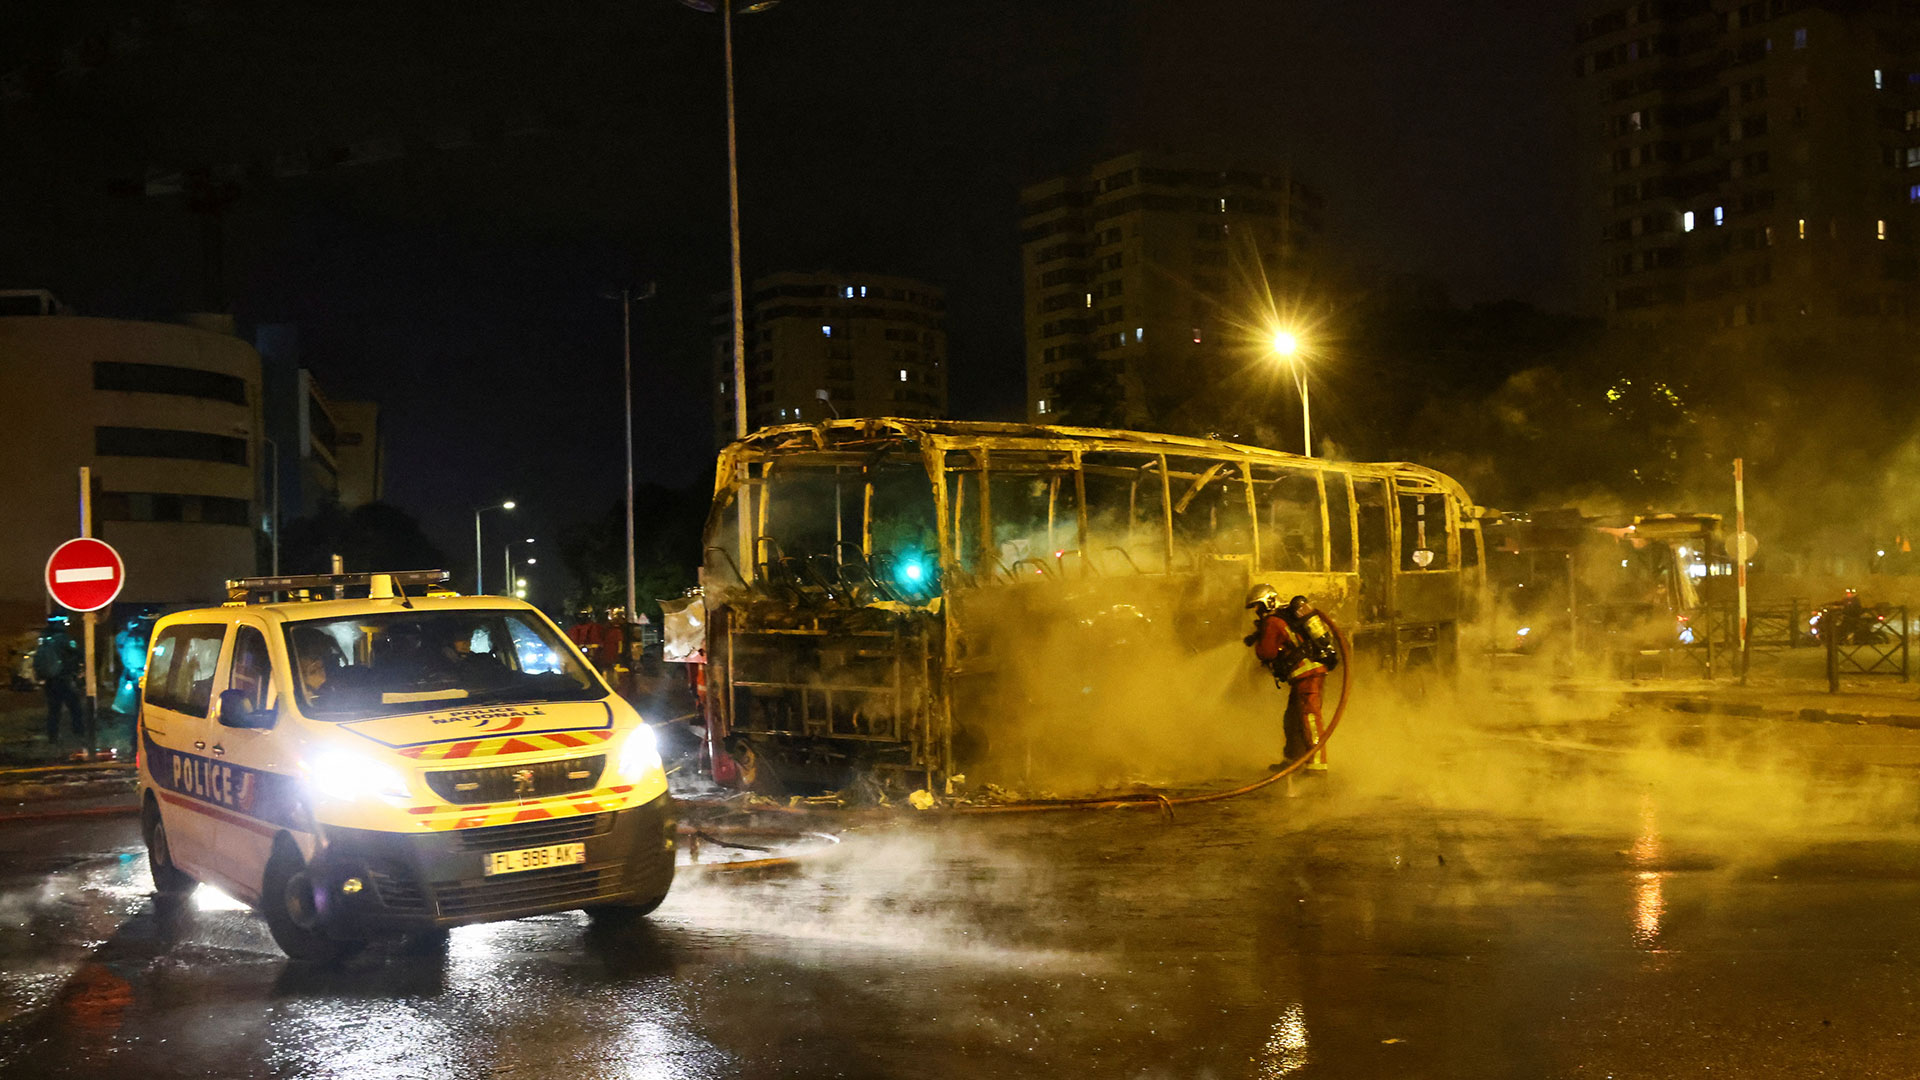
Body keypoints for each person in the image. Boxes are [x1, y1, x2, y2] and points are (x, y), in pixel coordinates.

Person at [1244, 586, 1338, 772]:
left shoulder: (1272, 622)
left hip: (1307, 674)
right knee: (1292, 719)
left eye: (1257, 606)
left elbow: (1266, 652)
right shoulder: (1282, 617)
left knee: (1309, 718)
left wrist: (1259, 641)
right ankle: (1293, 760)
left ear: (1267, 602)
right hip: (1307, 673)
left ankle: (1317, 766)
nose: (1256, 611)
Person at [32, 624, 84, 744]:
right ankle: (78, 733)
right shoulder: (64, 639)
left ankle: (53, 736)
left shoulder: (45, 640)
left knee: (54, 710)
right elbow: (78, 654)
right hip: (64, 679)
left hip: (50, 681)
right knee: (75, 708)